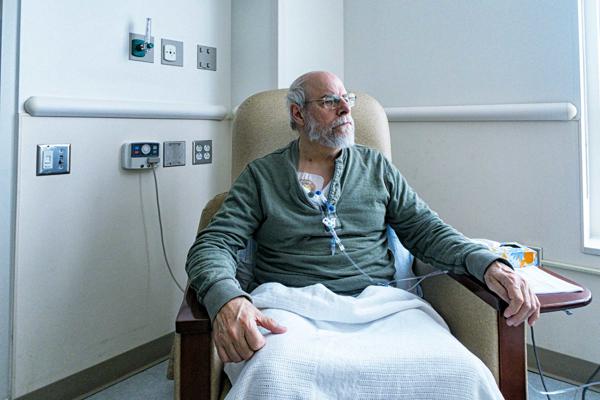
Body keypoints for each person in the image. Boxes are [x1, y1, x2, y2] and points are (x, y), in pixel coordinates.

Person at [185, 71, 540, 388]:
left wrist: (487, 263)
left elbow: (427, 230)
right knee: (273, 376)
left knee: (463, 372)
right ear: (298, 114)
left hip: (379, 306)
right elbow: (213, 245)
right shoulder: (261, 176)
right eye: (329, 101)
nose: (345, 109)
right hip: (290, 308)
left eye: (347, 99)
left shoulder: (376, 168)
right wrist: (226, 297)